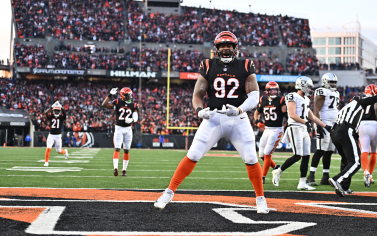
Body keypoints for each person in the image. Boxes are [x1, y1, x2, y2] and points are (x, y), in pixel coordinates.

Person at [154, 31, 268, 214]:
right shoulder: (207, 65)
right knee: (193, 154)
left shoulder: (246, 65)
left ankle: (260, 198)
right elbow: (197, 94)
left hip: (238, 118)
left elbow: (255, 95)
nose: (225, 50)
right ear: (216, 49)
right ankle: (169, 192)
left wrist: (239, 109)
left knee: (251, 158)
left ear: (235, 48)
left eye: (229, 47)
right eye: (222, 47)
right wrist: (200, 111)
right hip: (214, 117)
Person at [328, 84, 377, 197]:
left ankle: (344, 187)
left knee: (346, 160)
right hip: (346, 130)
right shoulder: (360, 102)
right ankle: (338, 180)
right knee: (356, 162)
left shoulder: (346, 107)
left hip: (335, 132)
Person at [272, 76, 332, 190]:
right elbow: (292, 114)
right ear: (303, 85)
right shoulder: (292, 96)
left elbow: (312, 116)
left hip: (303, 128)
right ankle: (278, 171)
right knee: (297, 155)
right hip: (295, 127)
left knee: (306, 156)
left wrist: (325, 126)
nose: (310, 90)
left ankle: (302, 183)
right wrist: (305, 122)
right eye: (309, 87)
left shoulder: (306, 99)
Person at [307, 73, 339, 186]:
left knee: (329, 151)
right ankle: (311, 175)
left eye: (334, 82)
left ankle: (325, 176)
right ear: (325, 81)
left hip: (333, 124)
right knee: (321, 149)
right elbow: (316, 109)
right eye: (331, 82)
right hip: (324, 122)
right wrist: (319, 124)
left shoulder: (336, 92)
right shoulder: (321, 91)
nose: (333, 84)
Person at [254, 81, 286, 185]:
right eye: (271, 90)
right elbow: (257, 113)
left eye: (275, 90)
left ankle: (262, 176)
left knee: (267, 153)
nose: (273, 92)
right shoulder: (262, 100)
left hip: (277, 129)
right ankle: (276, 167)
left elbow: (286, 115)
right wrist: (257, 121)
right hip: (267, 129)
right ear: (267, 91)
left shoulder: (281, 100)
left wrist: (287, 128)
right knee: (262, 154)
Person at [102, 87, 139, 176]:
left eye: (130, 94)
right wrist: (109, 95)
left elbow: (136, 117)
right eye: (127, 95)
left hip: (128, 129)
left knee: (126, 150)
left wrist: (132, 120)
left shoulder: (133, 105)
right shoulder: (117, 102)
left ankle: (124, 170)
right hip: (119, 128)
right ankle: (115, 168)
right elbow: (104, 104)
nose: (129, 96)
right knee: (117, 148)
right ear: (123, 95)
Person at [358, 84, 377, 187]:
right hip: (374, 125)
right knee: (374, 152)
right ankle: (371, 175)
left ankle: (365, 171)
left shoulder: (362, 100)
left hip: (363, 125)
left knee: (364, 150)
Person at [43, 101, 69, 167]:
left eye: (58, 111)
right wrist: (51, 107)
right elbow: (46, 113)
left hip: (58, 136)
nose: (56, 112)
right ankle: (46, 162)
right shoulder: (51, 116)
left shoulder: (61, 117)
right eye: (55, 111)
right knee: (48, 148)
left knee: (59, 151)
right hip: (51, 135)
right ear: (53, 111)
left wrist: (61, 107)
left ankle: (65, 152)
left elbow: (65, 114)